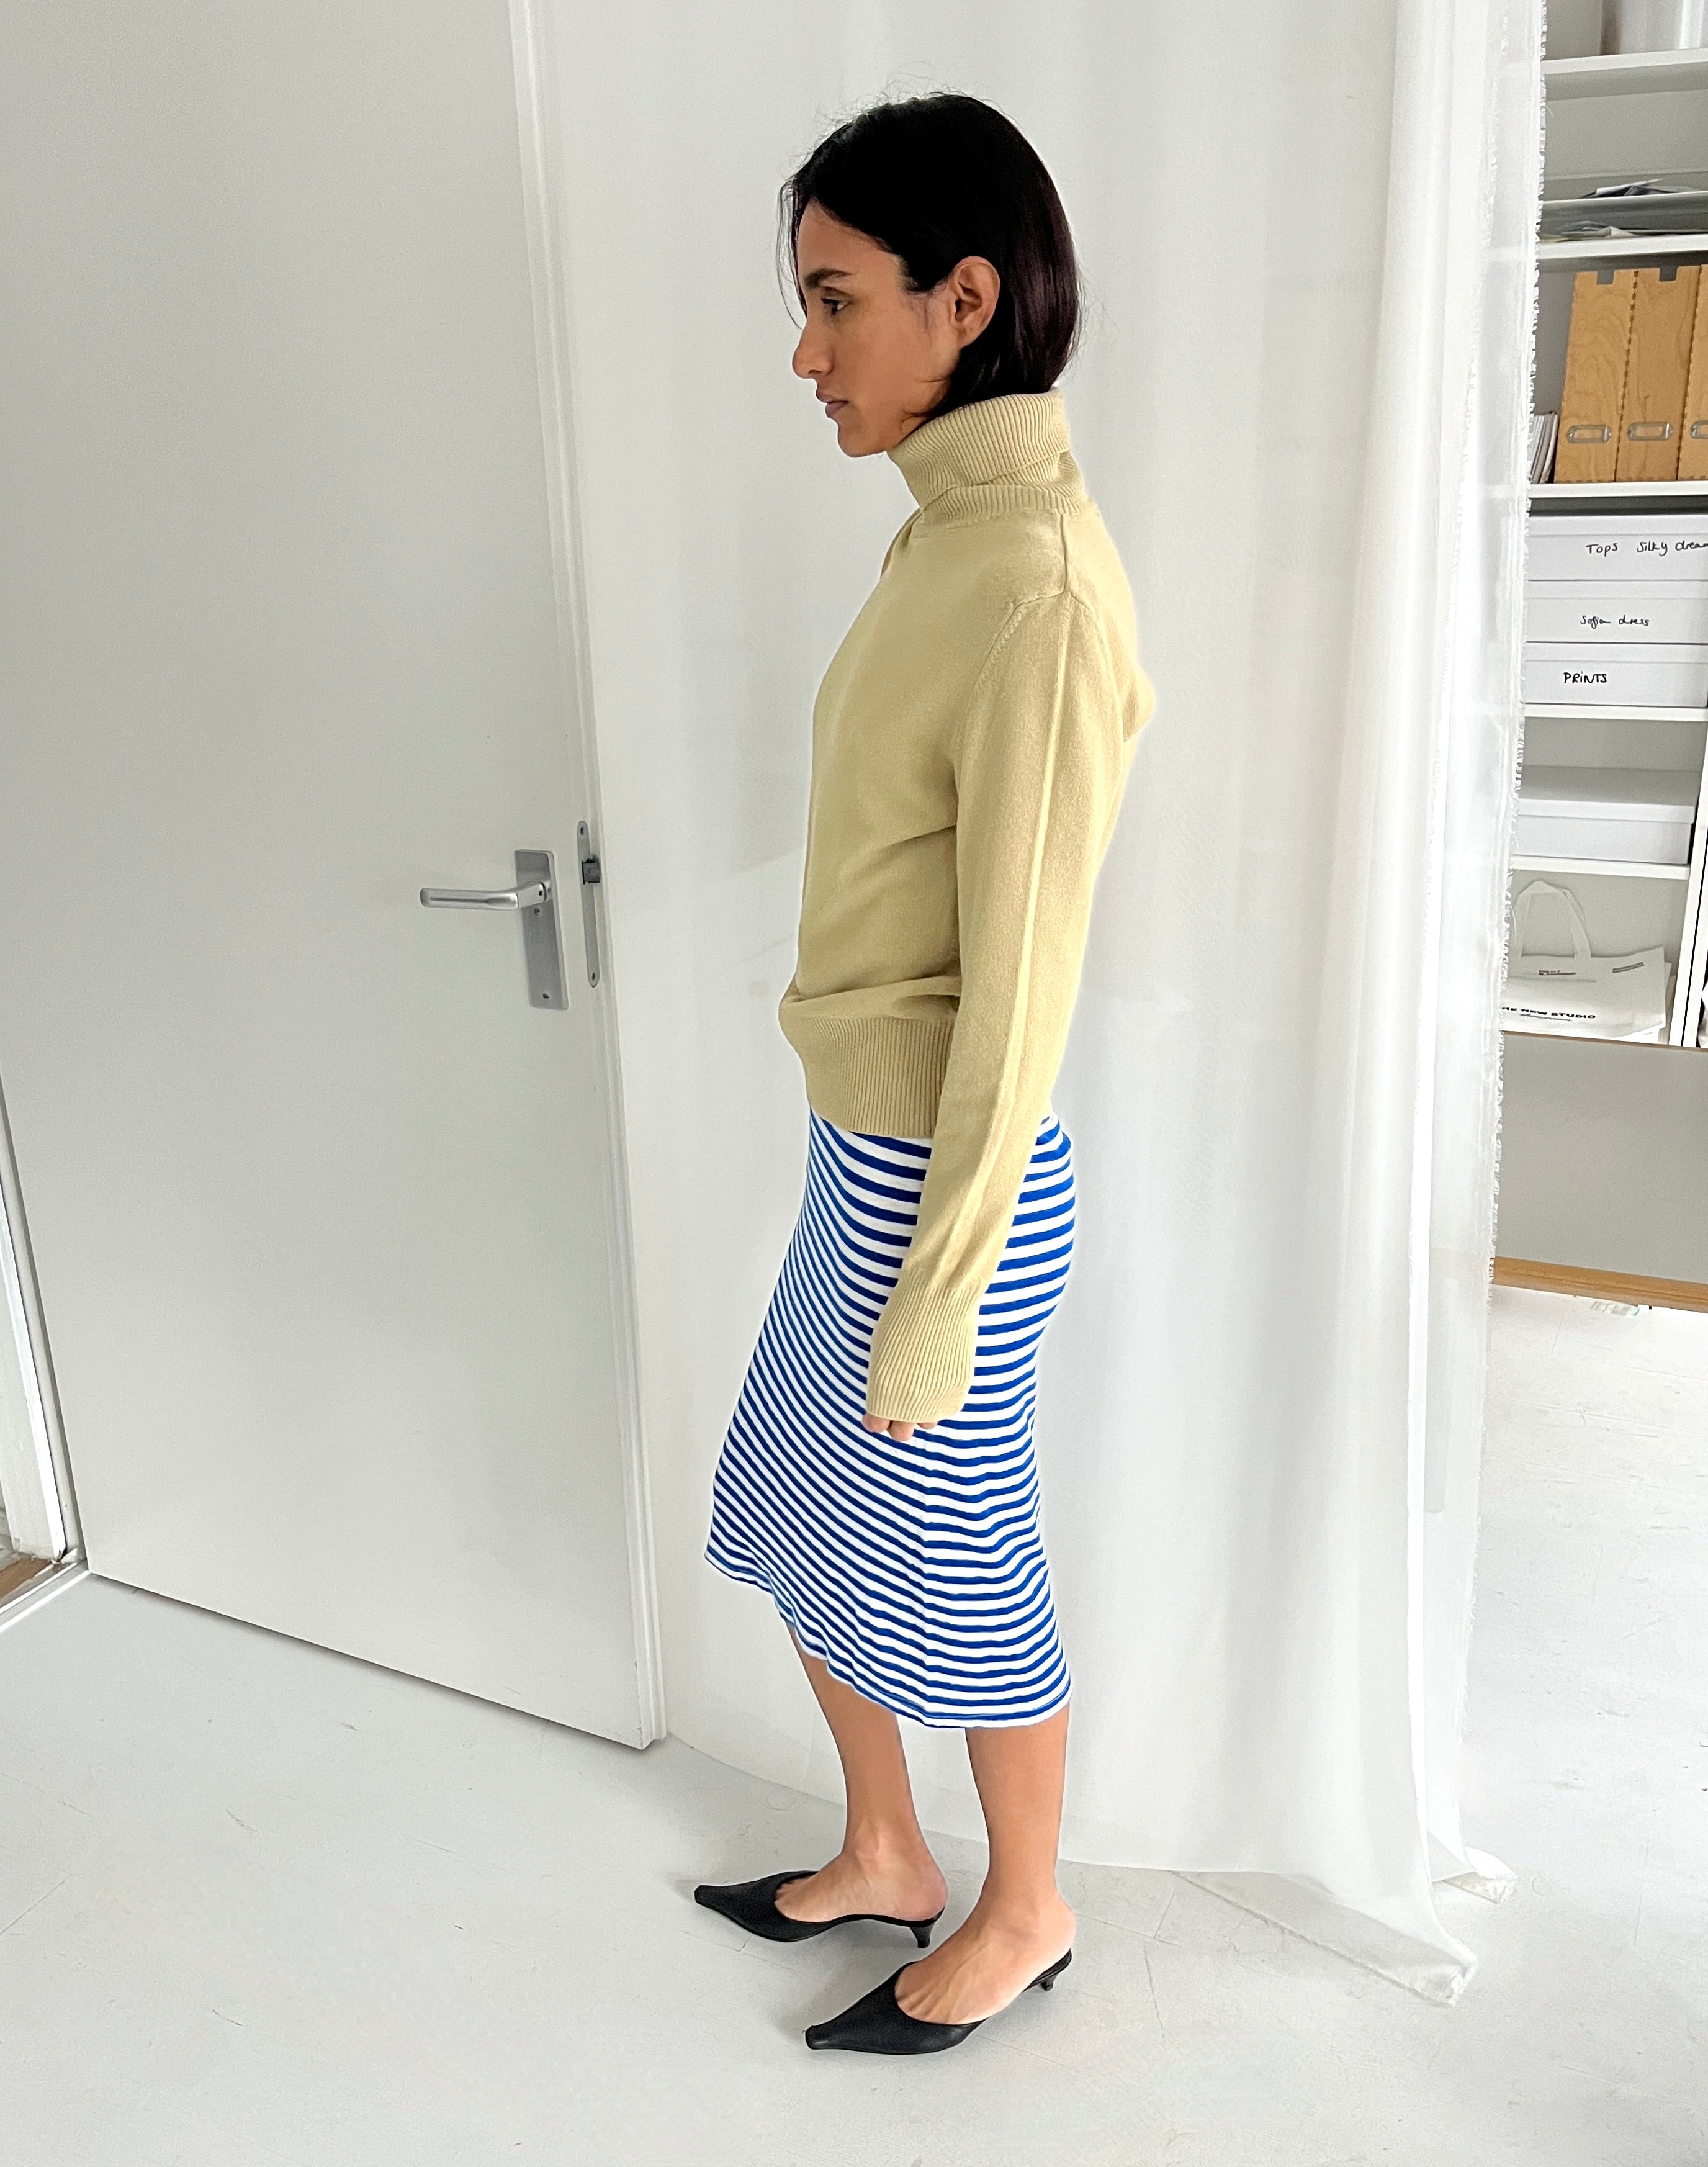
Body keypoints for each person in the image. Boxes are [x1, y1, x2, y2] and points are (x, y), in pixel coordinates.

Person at [696, 92, 1154, 2057]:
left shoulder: (1032, 578)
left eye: (833, 299)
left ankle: (1026, 1904)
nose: (804, 351)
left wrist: (943, 1282)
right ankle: (884, 1846)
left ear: (964, 299)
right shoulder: (947, 538)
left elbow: (1022, 993)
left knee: (964, 1562)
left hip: (943, 1186)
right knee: (792, 1500)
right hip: (860, 1155)